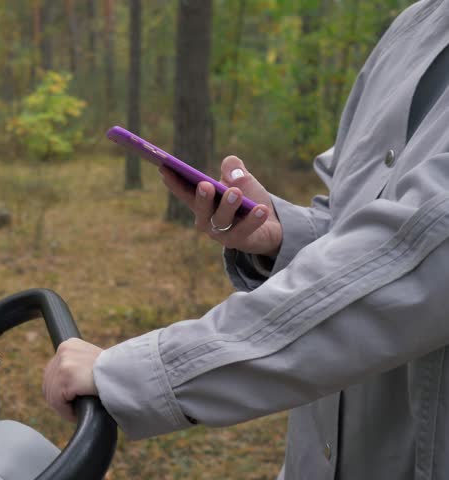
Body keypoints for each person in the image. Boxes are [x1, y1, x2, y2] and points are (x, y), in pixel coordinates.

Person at [42, 1, 449, 478]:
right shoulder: (414, 27)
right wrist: (283, 237)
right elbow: (353, 228)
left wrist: (142, 372)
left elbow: (412, 264)